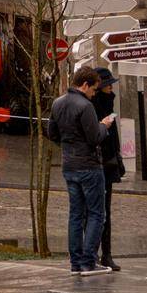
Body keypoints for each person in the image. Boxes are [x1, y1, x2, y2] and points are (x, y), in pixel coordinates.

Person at [48, 65, 115, 275]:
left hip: (69, 165)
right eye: (93, 89)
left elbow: (52, 133)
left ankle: (75, 263)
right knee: (96, 214)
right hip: (89, 165)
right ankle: (88, 261)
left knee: (75, 214)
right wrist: (104, 125)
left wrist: (68, 145)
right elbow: (95, 137)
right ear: (85, 85)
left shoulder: (58, 103)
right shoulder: (85, 106)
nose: (94, 93)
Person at [93, 68, 125, 271]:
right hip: (98, 164)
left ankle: (107, 254)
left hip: (110, 163)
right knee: (95, 211)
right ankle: (94, 253)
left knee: (106, 211)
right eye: (108, 84)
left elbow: (113, 136)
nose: (111, 87)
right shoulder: (93, 106)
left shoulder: (109, 103)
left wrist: (118, 157)